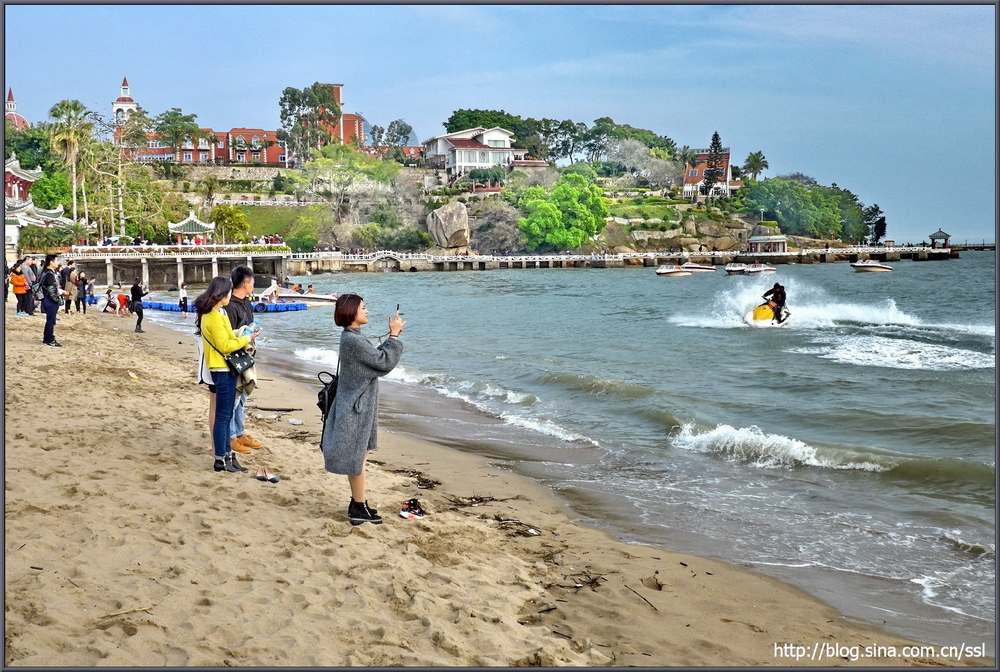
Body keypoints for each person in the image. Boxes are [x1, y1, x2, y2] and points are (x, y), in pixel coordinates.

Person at [321, 294, 405, 526]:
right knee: (358, 459)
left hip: (355, 404)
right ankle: (358, 506)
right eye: (363, 307)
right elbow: (383, 362)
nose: (367, 311)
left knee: (358, 458)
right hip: (355, 408)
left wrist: (391, 338)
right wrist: (394, 335)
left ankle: (358, 503)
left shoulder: (352, 337)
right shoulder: (353, 340)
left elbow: (373, 360)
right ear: (351, 312)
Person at [195, 276, 258, 473]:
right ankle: (220, 458)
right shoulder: (212, 316)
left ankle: (226, 455)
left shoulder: (219, 313)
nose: (230, 295)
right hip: (220, 369)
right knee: (223, 416)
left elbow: (230, 337)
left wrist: (244, 335)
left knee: (226, 413)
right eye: (229, 292)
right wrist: (245, 339)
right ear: (221, 294)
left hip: (226, 368)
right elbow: (225, 345)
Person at [226, 266, 263, 454]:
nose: (253, 286)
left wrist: (252, 335)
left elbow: (248, 325)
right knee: (234, 397)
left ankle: (240, 433)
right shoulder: (230, 305)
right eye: (252, 282)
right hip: (233, 356)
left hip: (246, 353)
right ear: (245, 283)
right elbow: (229, 335)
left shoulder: (247, 303)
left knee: (243, 397)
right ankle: (231, 437)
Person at [39, 254, 64, 347]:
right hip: (50, 300)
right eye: (56, 260)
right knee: (51, 321)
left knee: (50, 320)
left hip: (47, 299)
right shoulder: (49, 274)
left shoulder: (47, 272)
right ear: (51, 262)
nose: (58, 262)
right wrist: (57, 299)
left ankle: (47, 338)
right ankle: (49, 339)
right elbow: (51, 290)